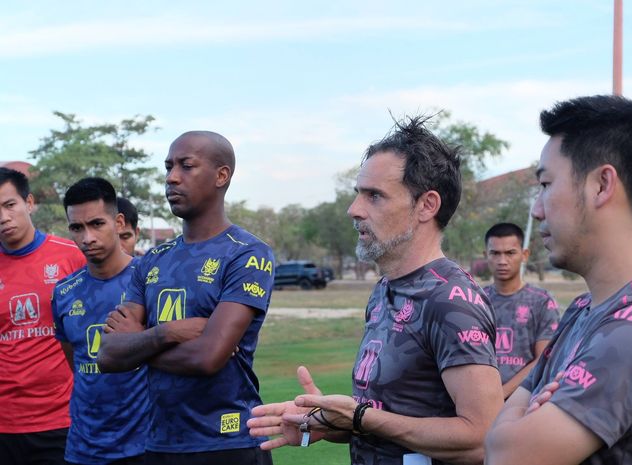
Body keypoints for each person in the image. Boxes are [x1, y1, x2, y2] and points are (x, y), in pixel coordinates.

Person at [248, 117, 503, 465]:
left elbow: (482, 438)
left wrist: (357, 417)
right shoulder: (383, 290)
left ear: (427, 205)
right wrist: (321, 421)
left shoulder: (450, 300)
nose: (354, 210)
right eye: (358, 193)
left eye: (375, 196)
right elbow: (384, 421)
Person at [484, 95, 632, 465]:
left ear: (602, 185)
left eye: (546, 185)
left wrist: (519, 415)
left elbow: (505, 454)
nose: (537, 209)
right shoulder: (586, 308)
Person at [97, 131, 275, 465]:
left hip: (227, 444)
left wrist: (137, 347)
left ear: (222, 175)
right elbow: (107, 355)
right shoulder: (152, 260)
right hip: (159, 444)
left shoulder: (248, 254)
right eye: (168, 167)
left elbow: (208, 357)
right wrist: (166, 333)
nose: (171, 178)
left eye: (186, 166)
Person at [52, 178, 149, 464]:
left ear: (119, 222)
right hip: (84, 448)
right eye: (77, 228)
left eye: (96, 224)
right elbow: (77, 363)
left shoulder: (150, 279)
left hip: (146, 445)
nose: (87, 238)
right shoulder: (64, 292)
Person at [0, 167, 86, 464]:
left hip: (61, 419)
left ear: (29, 203)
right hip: (4, 423)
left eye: (9, 205)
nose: (3, 217)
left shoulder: (71, 256)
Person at [482, 222, 559, 400]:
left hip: (522, 400)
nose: (502, 261)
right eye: (495, 253)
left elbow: (544, 359)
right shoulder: (476, 300)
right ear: (486, 255)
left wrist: (501, 394)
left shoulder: (541, 301)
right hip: (480, 401)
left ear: (524, 255)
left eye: (510, 253)